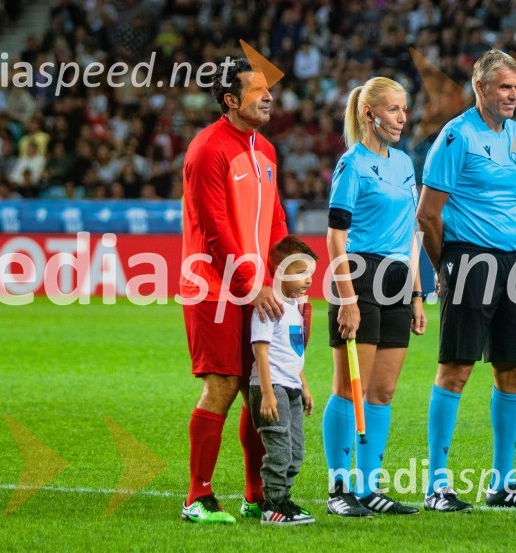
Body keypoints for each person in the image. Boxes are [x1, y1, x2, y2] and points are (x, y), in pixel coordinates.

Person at [417, 49, 516, 512]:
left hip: (512, 259)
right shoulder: (456, 137)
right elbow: (427, 215)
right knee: (456, 369)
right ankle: (436, 485)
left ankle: (502, 483)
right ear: (481, 88)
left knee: (514, 369)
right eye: (504, 88)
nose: (514, 96)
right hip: (467, 259)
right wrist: (444, 268)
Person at [179, 58, 288, 524]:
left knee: (259, 386)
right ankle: (197, 497)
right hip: (213, 287)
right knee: (222, 385)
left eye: (269, 90)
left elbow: (276, 218)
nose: (269, 96)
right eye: (257, 90)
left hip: (258, 287)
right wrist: (251, 282)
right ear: (229, 100)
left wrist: (286, 272)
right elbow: (213, 229)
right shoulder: (207, 149)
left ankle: (254, 494)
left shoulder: (265, 148)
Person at [323, 76, 426, 517]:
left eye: (405, 108)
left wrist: (418, 293)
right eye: (394, 109)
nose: (403, 117)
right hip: (359, 276)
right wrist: (346, 298)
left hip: (398, 279)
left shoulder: (405, 163)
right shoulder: (352, 165)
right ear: (369, 114)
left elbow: (411, 232)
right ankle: (338, 489)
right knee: (350, 389)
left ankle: (369, 489)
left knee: (382, 391)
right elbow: (334, 237)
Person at [249, 236, 318, 526]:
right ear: (279, 272)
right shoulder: (269, 306)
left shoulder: (294, 308)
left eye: (310, 274)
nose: (309, 281)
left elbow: (294, 351)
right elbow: (260, 351)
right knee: (278, 451)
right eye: (301, 272)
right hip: (272, 387)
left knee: (295, 451)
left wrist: (304, 385)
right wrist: (266, 393)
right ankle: (271, 506)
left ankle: (285, 500)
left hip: (291, 388)